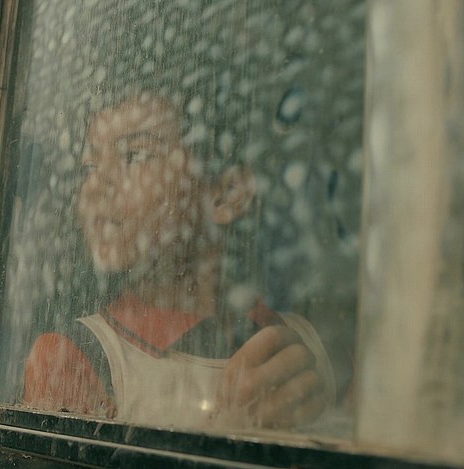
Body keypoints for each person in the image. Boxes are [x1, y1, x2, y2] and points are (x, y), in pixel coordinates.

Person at [23, 93, 337, 430]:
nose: (96, 187)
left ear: (227, 194)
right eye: (89, 166)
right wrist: (232, 426)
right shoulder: (72, 356)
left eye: (135, 155)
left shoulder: (306, 342)